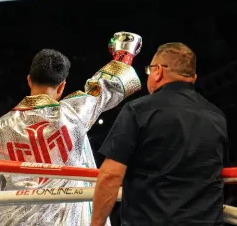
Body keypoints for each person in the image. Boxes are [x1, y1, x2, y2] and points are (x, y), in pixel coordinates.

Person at [0, 32, 143, 226]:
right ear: (62, 87)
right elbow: (106, 87)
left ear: (29, 80)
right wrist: (123, 55)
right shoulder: (72, 115)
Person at [91, 42, 228, 226]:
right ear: (193, 78)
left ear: (158, 71)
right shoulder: (217, 116)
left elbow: (111, 176)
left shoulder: (138, 110)